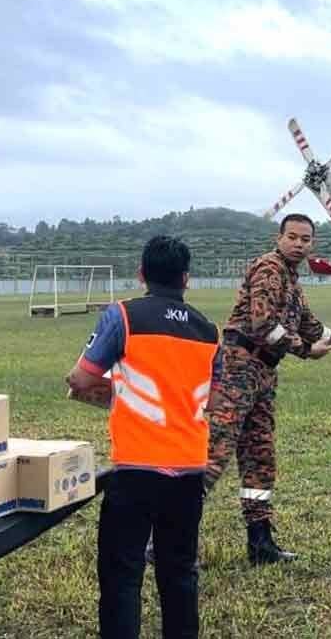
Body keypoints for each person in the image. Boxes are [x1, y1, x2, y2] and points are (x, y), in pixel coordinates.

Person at [67, 236, 218, 639]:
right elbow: (214, 398)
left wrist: (116, 390)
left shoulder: (123, 316)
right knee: (180, 573)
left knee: (122, 574)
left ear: (140, 274)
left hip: (136, 467)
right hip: (190, 468)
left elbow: (81, 378)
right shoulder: (209, 331)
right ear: (186, 279)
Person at [202, 213, 331, 563]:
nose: (298, 244)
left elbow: (312, 328)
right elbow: (263, 324)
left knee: (260, 455)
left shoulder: (292, 281)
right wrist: (305, 350)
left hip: (263, 370)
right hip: (239, 367)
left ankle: (260, 544)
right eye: (292, 237)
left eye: (305, 239)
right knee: (214, 453)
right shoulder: (269, 269)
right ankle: (164, 540)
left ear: (312, 244)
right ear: (279, 238)